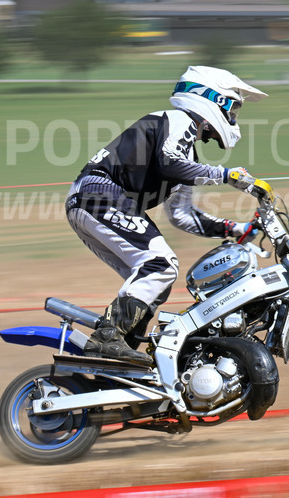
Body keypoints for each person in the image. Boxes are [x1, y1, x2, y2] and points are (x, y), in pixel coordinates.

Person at [65, 66, 267, 366]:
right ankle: (107, 338)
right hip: (100, 195)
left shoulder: (187, 153)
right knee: (160, 264)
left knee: (157, 281)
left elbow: (182, 216)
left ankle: (122, 353)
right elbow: (169, 163)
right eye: (232, 107)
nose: (233, 116)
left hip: (92, 201)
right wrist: (225, 175)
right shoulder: (178, 120)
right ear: (213, 99)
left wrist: (237, 229)